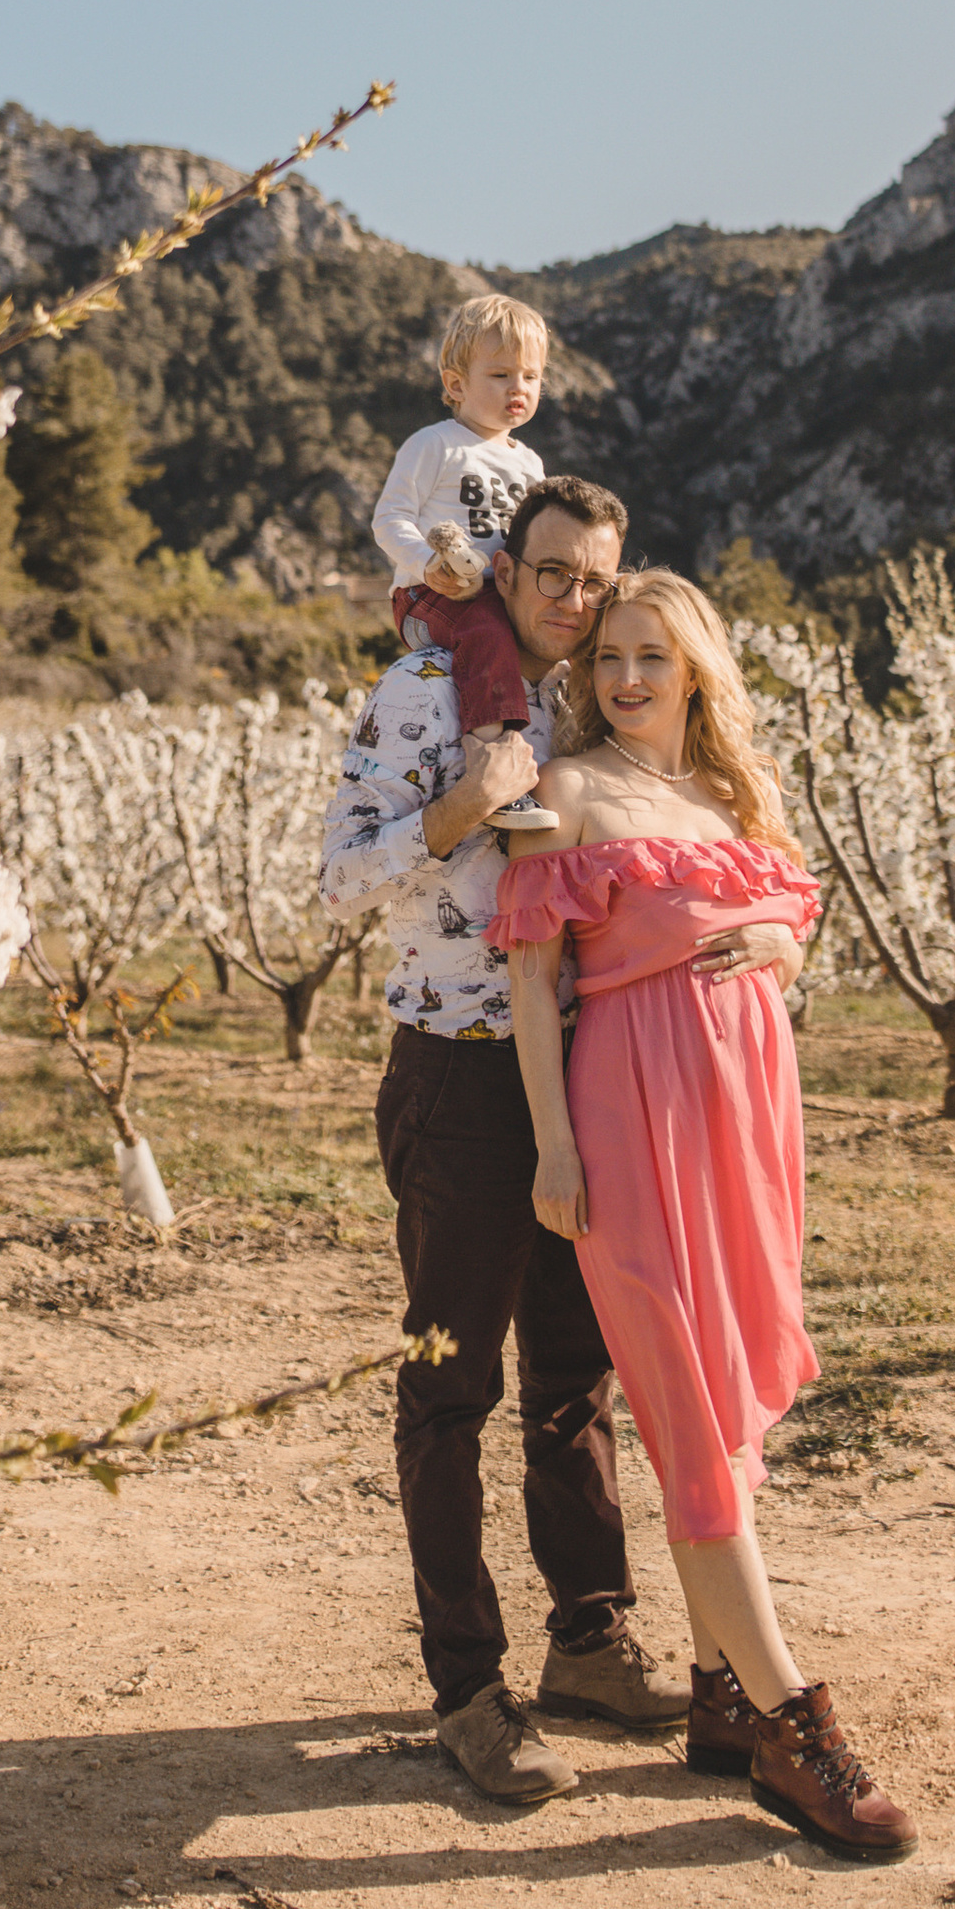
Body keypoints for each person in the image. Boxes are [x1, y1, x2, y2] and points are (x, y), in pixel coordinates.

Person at [491, 568, 918, 1862]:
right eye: (607, 656)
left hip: (747, 1131)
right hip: (632, 1117)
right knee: (686, 1403)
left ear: (694, 672)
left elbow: (793, 905)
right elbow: (527, 982)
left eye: (651, 657)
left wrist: (783, 947)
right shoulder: (563, 794)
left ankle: (721, 1696)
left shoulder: (736, 794)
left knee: (725, 1398)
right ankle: (796, 1724)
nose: (624, 678)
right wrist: (554, 1147)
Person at [319, 471, 689, 1804]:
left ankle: (590, 1640)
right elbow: (340, 872)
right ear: (504, 567)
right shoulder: (425, 689)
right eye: (550, 573)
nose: (571, 600)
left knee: (575, 1385)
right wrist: (463, 805)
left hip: (579, 1075)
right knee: (451, 1391)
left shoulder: (598, 699)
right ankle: (468, 1690)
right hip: (458, 1080)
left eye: (593, 579)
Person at [368, 293, 559, 832]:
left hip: (500, 592)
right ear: (456, 385)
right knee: (489, 631)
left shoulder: (530, 463)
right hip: (431, 598)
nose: (518, 388)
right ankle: (491, 768)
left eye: (531, 376)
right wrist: (427, 564)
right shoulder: (436, 445)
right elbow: (390, 519)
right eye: (500, 374)